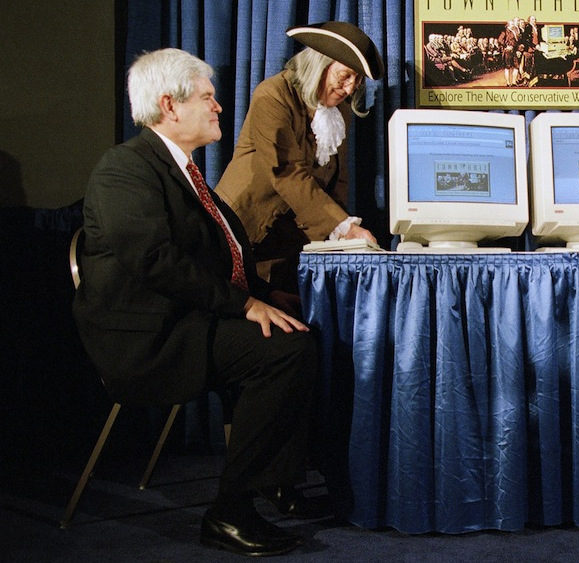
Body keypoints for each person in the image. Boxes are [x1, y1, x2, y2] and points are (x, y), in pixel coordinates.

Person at [73, 48, 329, 557]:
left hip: (190, 319)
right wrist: (245, 307)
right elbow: (156, 259)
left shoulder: (187, 174)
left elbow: (215, 262)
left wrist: (262, 297)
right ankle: (229, 512)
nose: (218, 107)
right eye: (209, 98)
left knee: (301, 330)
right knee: (283, 353)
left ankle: (273, 481)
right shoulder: (123, 169)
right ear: (170, 105)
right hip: (151, 338)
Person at [216, 21, 384, 293]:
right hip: (248, 231)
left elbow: (337, 180)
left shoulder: (340, 113)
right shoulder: (273, 95)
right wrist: (342, 226)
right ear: (320, 64)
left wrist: (337, 242)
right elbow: (286, 171)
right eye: (345, 76)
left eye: (358, 80)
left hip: (295, 241)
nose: (351, 88)